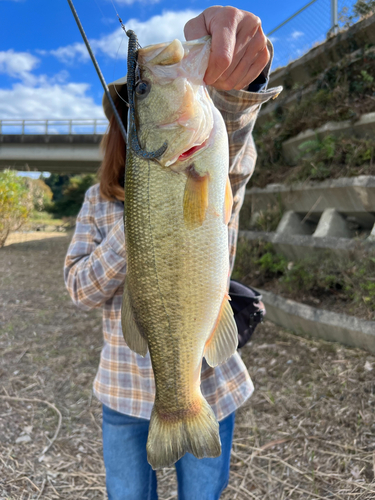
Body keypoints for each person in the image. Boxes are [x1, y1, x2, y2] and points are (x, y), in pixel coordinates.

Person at [64, 6, 282, 500]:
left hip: (211, 388)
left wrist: (237, 88)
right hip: (121, 393)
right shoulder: (97, 202)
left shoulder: (208, 159)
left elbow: (237, 156)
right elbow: (77, 287)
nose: (136, 104)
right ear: (119, 127)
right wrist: (135, 226)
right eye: (138, 95)